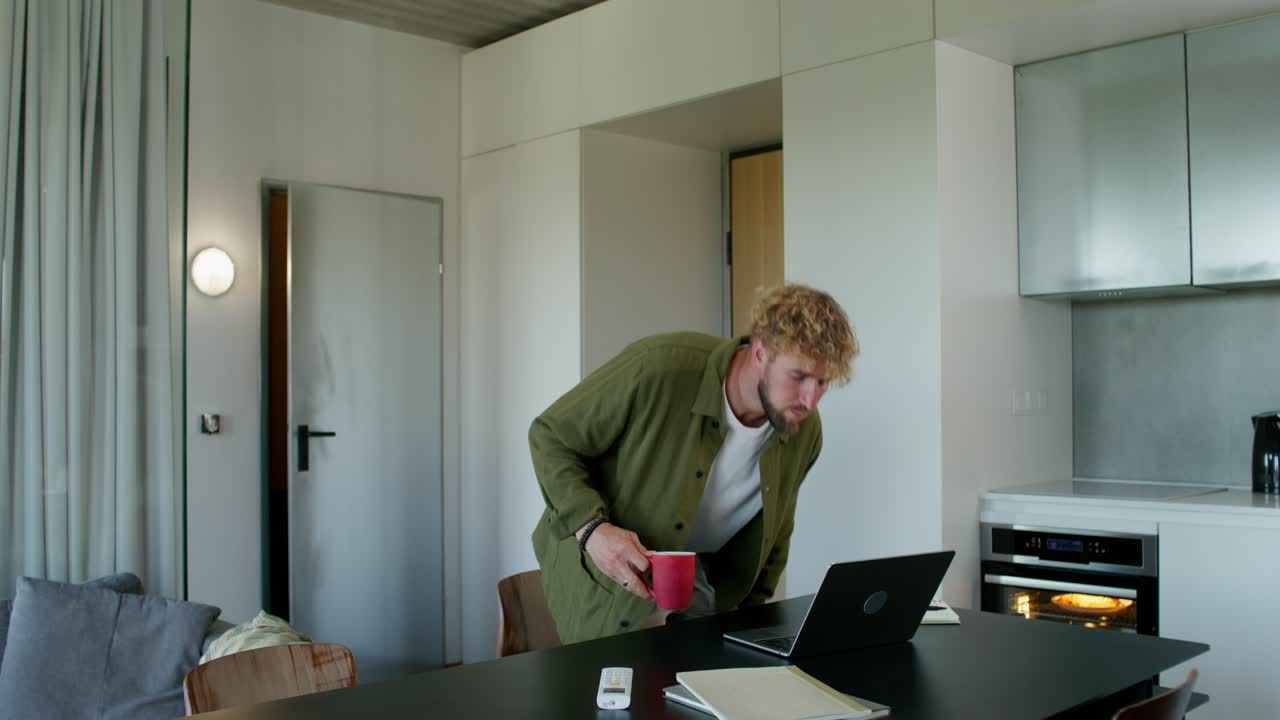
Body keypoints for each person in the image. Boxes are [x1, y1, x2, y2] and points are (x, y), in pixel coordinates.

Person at [528, 284, 858, 644]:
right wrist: (591, 529)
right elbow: (551, 435)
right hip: (600, 573)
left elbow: (776, 535)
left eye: (823, 382)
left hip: (697, 590)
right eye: (798, 377)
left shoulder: (804, 431)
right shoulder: (659, 367)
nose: (810, 400)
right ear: (761, 351)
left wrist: (750, 625)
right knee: (604, 693)